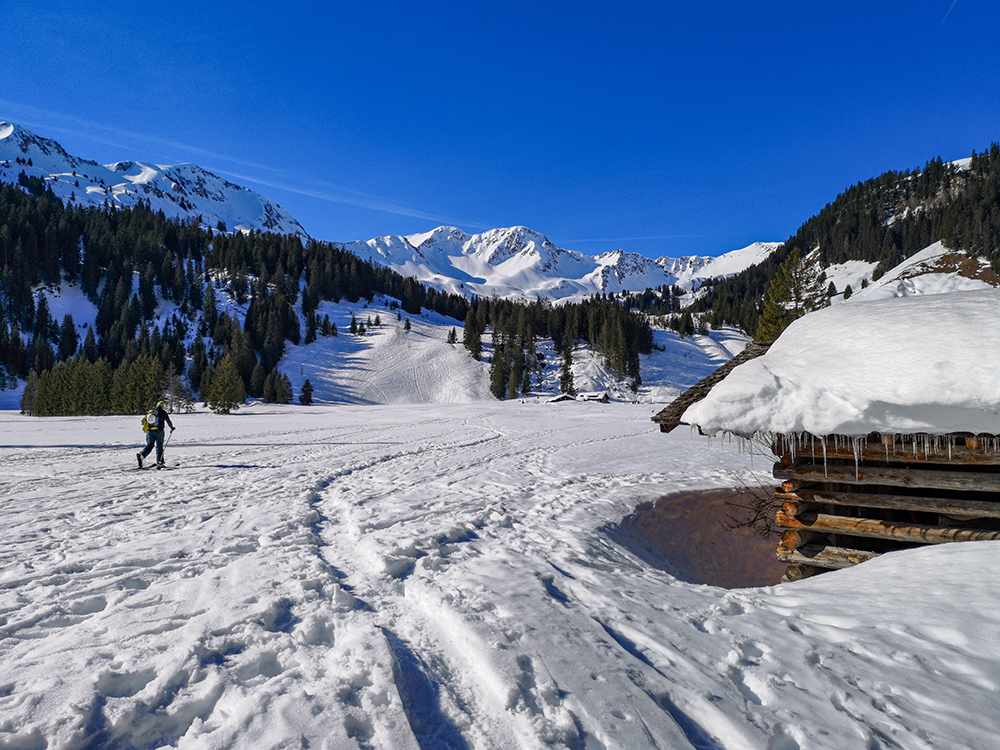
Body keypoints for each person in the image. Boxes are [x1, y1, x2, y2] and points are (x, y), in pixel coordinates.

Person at [137, 400, 175, 468]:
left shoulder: (151, 412)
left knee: (150, 445)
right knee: (159, 446)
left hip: (150, 431)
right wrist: (172, 427)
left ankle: (142, 455)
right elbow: (168, 421)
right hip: (159, 432)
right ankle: (160, 462)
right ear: (163, 407)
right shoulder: (163, 412)